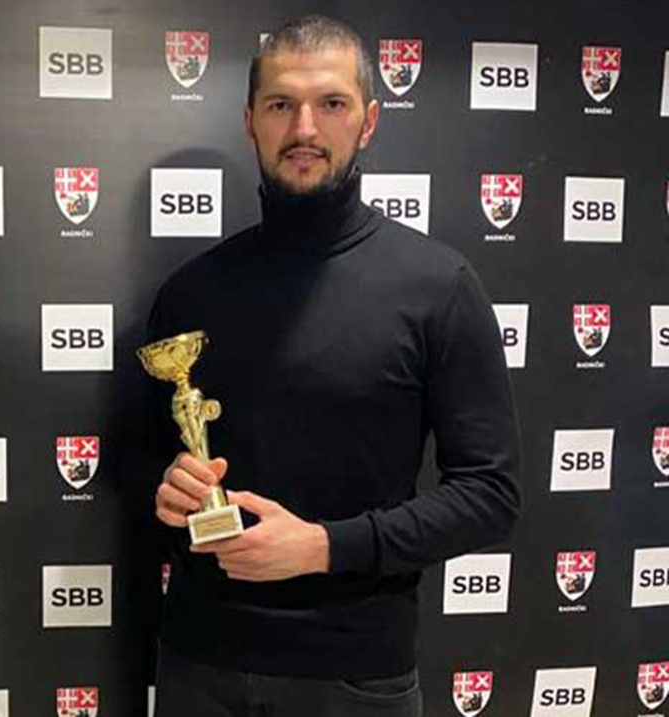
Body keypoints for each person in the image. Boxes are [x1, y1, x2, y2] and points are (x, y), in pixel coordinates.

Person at [131, 15, 523, 716]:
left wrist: (324, 546)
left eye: (331, 103)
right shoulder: (191, 292)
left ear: (368, 121)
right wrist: (167, 488)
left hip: (354, 677)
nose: (304, 128)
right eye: (281, 104)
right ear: (251, 122)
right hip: (198, 663)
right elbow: (141, 456)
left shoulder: (439, 287)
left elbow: (490, 495)